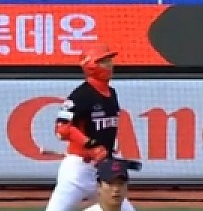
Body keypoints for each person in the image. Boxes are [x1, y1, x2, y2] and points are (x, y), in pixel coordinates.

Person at [44, 43, 137, 211]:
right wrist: (91, 145)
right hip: (78, 171)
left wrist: (108, 152)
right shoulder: (81, 95)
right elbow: (62, 128)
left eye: (110, 60)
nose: (110, 65)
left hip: (103, 169)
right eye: (104, 61)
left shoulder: (112, 93)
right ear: (91, 65)